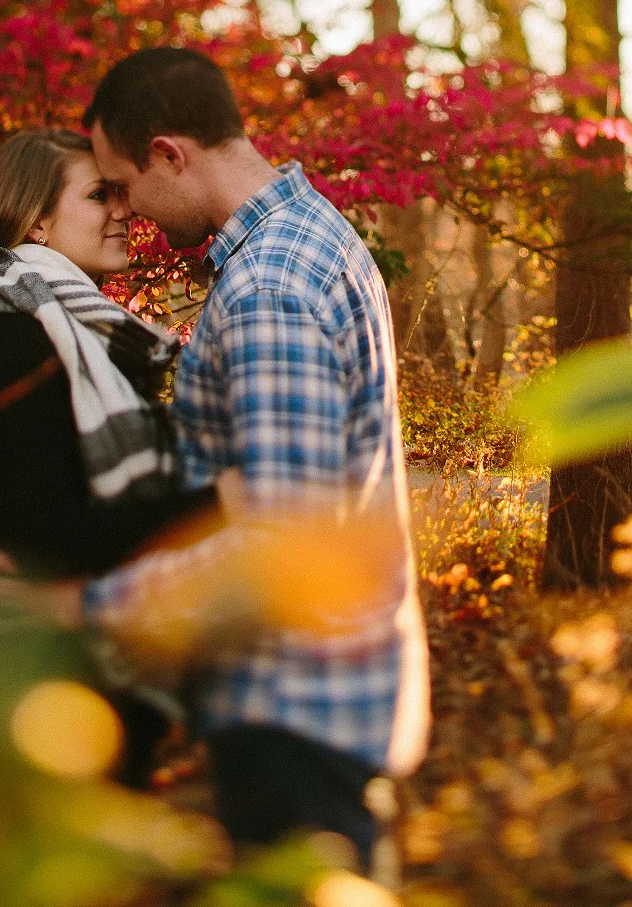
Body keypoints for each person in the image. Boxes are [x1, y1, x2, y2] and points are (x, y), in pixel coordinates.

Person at [78, 47, 430, 866]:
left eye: (125, 185)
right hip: (330, 700)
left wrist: (90, 606)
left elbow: (281, 546)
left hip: (294, 711)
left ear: (170, 153)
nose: (126, 211)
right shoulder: (314, 237)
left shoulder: (268, 285)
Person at [0, 128, 220, 788]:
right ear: (36, 221)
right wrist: (221, 501)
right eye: (99, 195)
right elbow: (44, 534)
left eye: (122, 192)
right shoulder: (12, 335)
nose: (126, 210)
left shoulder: (75, 330)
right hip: (39, 697)